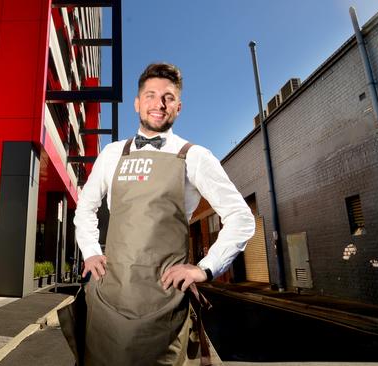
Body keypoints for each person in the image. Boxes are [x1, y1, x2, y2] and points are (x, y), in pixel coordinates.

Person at [71, 63, 255, 365]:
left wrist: (204, 268)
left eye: (167, 97)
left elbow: (240, 217)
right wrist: (91, 252)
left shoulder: (194, 156)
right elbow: (85, 209)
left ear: (178, 107)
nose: (159, 104)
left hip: (164, 306)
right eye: (151, 95)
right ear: (137, 103)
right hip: (109, 300)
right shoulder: (112, 154)